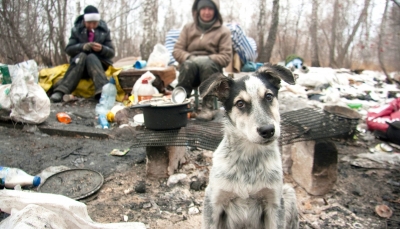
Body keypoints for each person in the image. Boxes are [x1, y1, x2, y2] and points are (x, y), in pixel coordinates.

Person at [173, 0, 232, 121]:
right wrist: (191, 58)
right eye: (203, 8)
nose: (207, 12)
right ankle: (179, 103)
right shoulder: (188, 28)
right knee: (188, 65)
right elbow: (177, 51)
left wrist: (207, 59)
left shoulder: (223, 31)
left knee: (207, 64)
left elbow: (226, 57)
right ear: (198, 10)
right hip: (191, 69)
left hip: (211, 71)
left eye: (210, 9)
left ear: (215, 11)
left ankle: (208, 107)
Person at [50, 5, 115, 103]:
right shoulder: (77, 30)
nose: (92, 26)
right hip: (80, 65)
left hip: (98, 65)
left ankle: (103, 91)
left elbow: (111, 52)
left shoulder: (104, 30)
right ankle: (61, 91)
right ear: (84, 21)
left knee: (91, 57)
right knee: (83, 56)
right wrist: (82, 47)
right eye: (89, 23)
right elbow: (69, 49)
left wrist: (102, 49)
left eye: (95, 23)